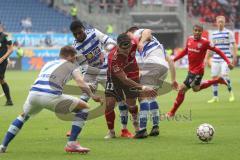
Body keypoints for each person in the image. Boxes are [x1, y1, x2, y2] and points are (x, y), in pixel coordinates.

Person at [0, 46, 102, 153]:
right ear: (69, 56)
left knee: (23, 116)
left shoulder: (48, 63)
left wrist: (87, 84)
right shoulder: (71, 66)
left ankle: (3, 146)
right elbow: (80, 82)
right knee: (84, 108)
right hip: (50, 95)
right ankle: (72, 143)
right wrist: (92, 95)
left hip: (34, 94)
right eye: (73, 57)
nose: (74, 59)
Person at [70, 20, 136, 138]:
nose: (78, 36)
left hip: (107, 71)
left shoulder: (94, 33)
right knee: (83, 99)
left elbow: (111, 43)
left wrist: (104, 52)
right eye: (75, 34)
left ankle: (124, 130)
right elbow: (83, 66)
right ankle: (75, 128)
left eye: (79, 32)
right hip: (91, 73)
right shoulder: (75, 47)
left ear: (83, 29)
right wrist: (88, 82)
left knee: (120, 99)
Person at [166, 24, 234, 118]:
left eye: (199, 31)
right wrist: (174, 59)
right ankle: (218, 80)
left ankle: (172, 112)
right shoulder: (189, 39)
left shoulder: (205, 42)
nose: (197, 32)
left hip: (198, 71)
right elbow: (186, 51)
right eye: (195, 30)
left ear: (202, 32)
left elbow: (218, 51)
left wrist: (228, 62)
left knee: (182, 90)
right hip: (191, 70)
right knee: (196, 89)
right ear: (193, 31)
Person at [127, 27, 178, 138]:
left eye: (129, 35)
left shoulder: (137, 34)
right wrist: (173, 80)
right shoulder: (157, 44)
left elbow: (147, 31)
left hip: (152, 64)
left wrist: (139, 41)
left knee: (143, 97)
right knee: (152, 96)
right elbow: (171, 61)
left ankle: (142, 130)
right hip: (163, 68)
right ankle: (155, 126)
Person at [104, 33, 157, 138]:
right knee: (109, 104)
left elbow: (147, 33)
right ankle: (111, 131)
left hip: (132, 75)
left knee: (131, 104)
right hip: (114, 79)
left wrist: (141, 42)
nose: (127, 51)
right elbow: (124, 79)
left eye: (129, 48)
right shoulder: (113, 59)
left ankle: (135, 123)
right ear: (118, 46)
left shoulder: (133, 43)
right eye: (124, 50)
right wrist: (143, 87)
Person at [207, 15, 237, 103]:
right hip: (215, 59)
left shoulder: (229, 33)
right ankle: (215, 96)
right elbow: (210, 47)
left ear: (224, 23)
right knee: (214, 77)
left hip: (226, 58)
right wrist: (207, 58)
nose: (220, 23)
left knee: (224, 75)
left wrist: (234, 57)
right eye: (219, 21)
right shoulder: (213, 34)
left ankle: (231, 93)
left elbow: (234, 45)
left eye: (222, 22)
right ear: (216, 23)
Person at [0, 24, 13, 106]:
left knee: (1, 79)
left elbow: (11, 49)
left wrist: (3, 58)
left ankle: (9, 100)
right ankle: (9, 100)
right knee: (1, 80)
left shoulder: (6, 36)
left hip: (2, 62)